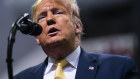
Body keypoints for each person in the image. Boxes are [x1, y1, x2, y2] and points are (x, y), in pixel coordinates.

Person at [14, 0, 139, 79]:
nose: (49, 19)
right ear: (37, 37)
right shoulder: (21, 78)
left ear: (77, 26)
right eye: (42, 17)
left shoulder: (118, 68)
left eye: (57, 12)